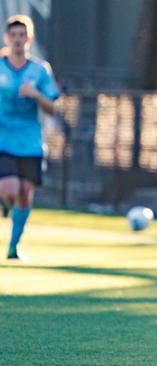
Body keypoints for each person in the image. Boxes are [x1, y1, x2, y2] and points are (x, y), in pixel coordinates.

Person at [0, 14, 60, 260]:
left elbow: (53, 107)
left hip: (31, 141)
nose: (17, 40)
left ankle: (13, 247)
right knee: (11, 189)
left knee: (25, 194)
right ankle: (5, 200)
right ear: (6, 38)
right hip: (3, 138)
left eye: (22, 35)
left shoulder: (39, 70)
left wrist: (35, 94)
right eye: (13, 35)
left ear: (29, 39)